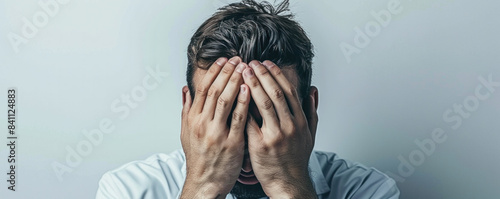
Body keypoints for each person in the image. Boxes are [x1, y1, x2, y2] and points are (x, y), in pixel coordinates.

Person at [96, 0, 400, 198]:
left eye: (270, 115)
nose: (248, 144)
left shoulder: (369, 192)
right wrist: (203, 188)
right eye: (223, 114)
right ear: (187, 110)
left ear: (309, 110)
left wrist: (288, 186)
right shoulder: (129, 190)